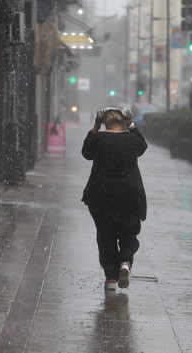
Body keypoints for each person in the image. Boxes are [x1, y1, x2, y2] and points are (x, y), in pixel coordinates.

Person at [82, 108, 148, 290]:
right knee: (128, 233)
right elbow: (143, 145)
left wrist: (95, 126)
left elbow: (86, 152)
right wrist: (132, 125)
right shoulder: (132, 141)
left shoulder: (99, 140)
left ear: (105, 123)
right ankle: (125, 262)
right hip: (130, 196)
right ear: (124, 123)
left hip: (102, 196)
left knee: (105, 236)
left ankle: (111, 278)